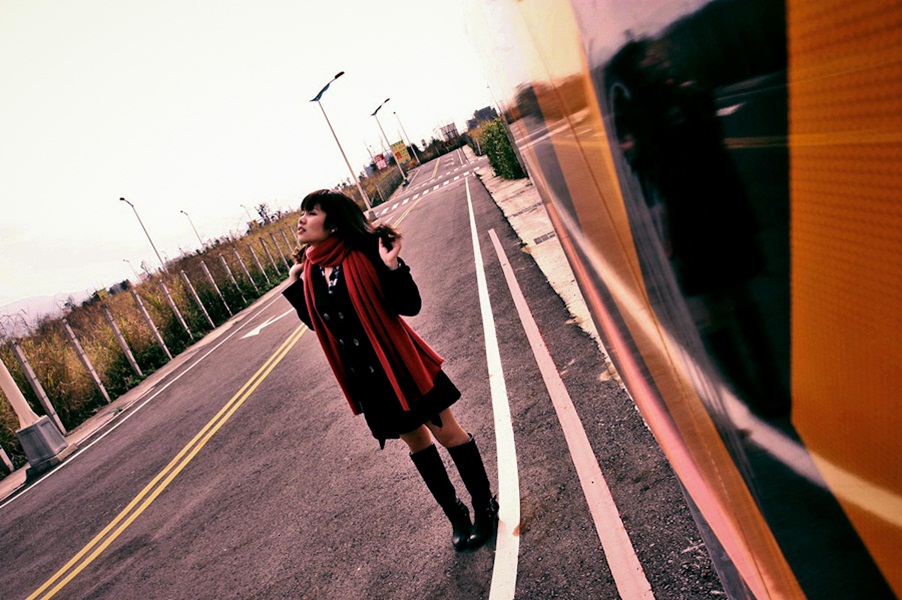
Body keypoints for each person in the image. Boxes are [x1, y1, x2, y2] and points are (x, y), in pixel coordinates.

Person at [282, 189, 499, 551]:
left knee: (448, 434)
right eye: (302, 212)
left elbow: (409, 306)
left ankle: (484, 506)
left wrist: (393, 265)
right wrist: (296, 285)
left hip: (402, 365)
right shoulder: (311, 269)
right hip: (369, 379)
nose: (301, 220)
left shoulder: (369, 252)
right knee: (417, 444)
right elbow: (322, 323)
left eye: (311, 212)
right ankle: (456, 515)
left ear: (334, 223)